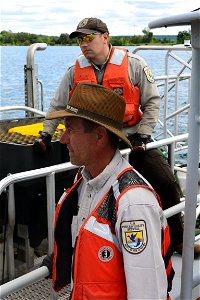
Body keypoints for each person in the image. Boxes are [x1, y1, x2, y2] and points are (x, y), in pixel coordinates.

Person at [34, 17, 199, 256]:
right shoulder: (74, 72)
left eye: (89, 38)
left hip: (131, 139)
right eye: (80, 40)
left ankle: (179, 239)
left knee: (164, 180)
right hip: (95, 142)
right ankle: (67, 249)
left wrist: (143, 135)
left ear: (105, 37)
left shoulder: (134, 65)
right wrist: (45, 135)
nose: (84, 44)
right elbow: (58, 103)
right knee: (72, 190)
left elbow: (152, 102)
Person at [42, 82, 174, 299]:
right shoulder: (84, 182)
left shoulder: (133, 203)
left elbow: (147, 292)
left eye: (70, 130)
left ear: (99, 135)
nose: (63, 139)